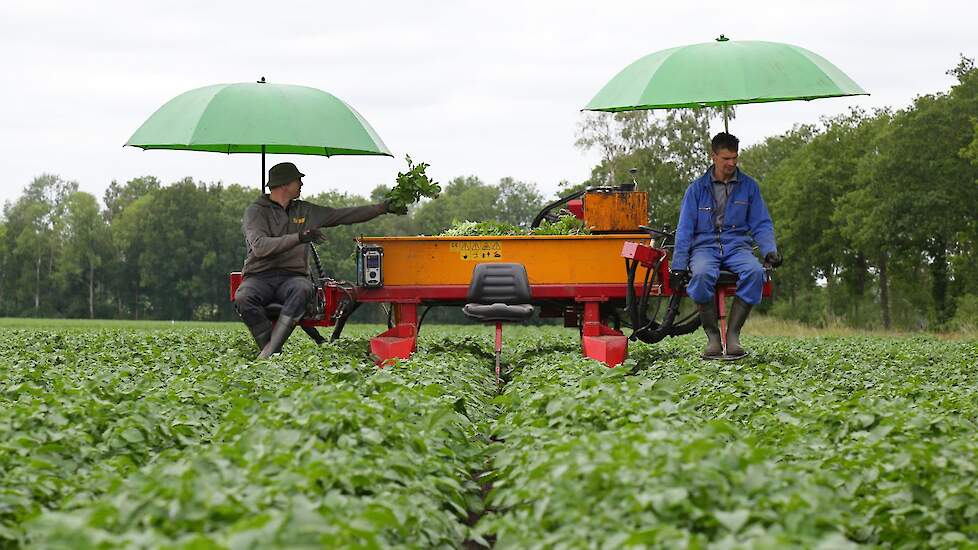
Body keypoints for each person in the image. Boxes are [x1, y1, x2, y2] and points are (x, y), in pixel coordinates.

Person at [234, 162, 401, 358]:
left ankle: (268, 354)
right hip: (259, 277)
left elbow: (341, 215)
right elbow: (261, 247)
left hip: (292, 278)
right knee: (243, 297)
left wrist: (382, 208)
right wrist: (300, 237)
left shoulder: (305, 211)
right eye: (298, 180)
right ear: (284, 184)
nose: (302, 184)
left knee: (303, 289)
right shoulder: (255, 212)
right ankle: (271, 350)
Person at [669, 132, 782, 359]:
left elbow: (761, 223)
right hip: (704, 247)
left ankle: (732, 336)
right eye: (725, 159)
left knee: (754, 272)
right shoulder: (696, 189)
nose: (731, 163)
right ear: (713, 157)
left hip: (737, 245)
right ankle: (712, 338)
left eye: (734, 158)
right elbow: (684, 230)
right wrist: (678, 265)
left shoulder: (750, 187)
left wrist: (770, 250)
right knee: (700, 275)